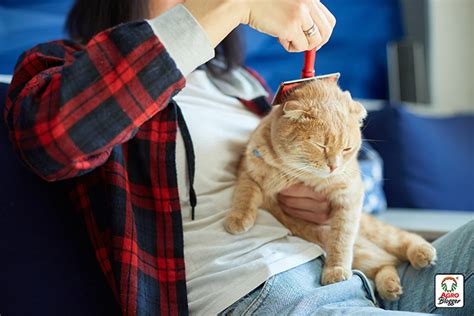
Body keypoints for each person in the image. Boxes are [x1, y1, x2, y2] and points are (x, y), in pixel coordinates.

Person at [4, 0, 472, 315]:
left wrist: (325, 200)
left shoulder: (243, 84)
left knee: (457, 284)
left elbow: (324, 167)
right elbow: (58, 142)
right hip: (267, 294)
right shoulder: (65, 68)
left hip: (358, 277)